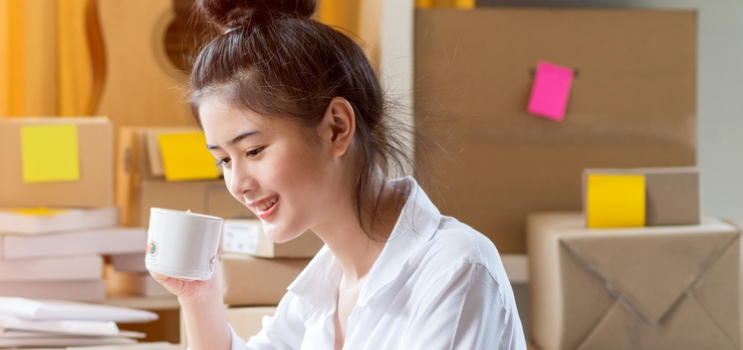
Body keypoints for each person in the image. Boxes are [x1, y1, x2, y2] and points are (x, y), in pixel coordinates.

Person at [149, 0, 527, 349]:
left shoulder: (455, 270)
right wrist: (199, 297)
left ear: (336, 127)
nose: (238, 184)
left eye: (253, 151)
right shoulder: (325, 285)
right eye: (224, 161)